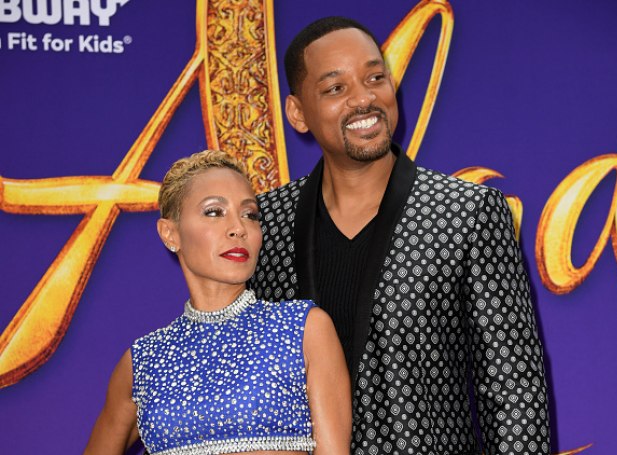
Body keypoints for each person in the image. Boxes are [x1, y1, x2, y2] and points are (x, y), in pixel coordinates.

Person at [250, 17, 551, 455]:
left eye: (375, 78)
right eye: (335, 88)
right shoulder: (263, 224)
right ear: (297, 113)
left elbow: (514, 390)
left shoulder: (466, 213)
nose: (363, 99)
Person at [84, 150, 351, 455]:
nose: (239, 228)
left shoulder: (303, 329)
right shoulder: (144, 361)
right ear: (170, 234)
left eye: (250, 215)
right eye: (214, 212)